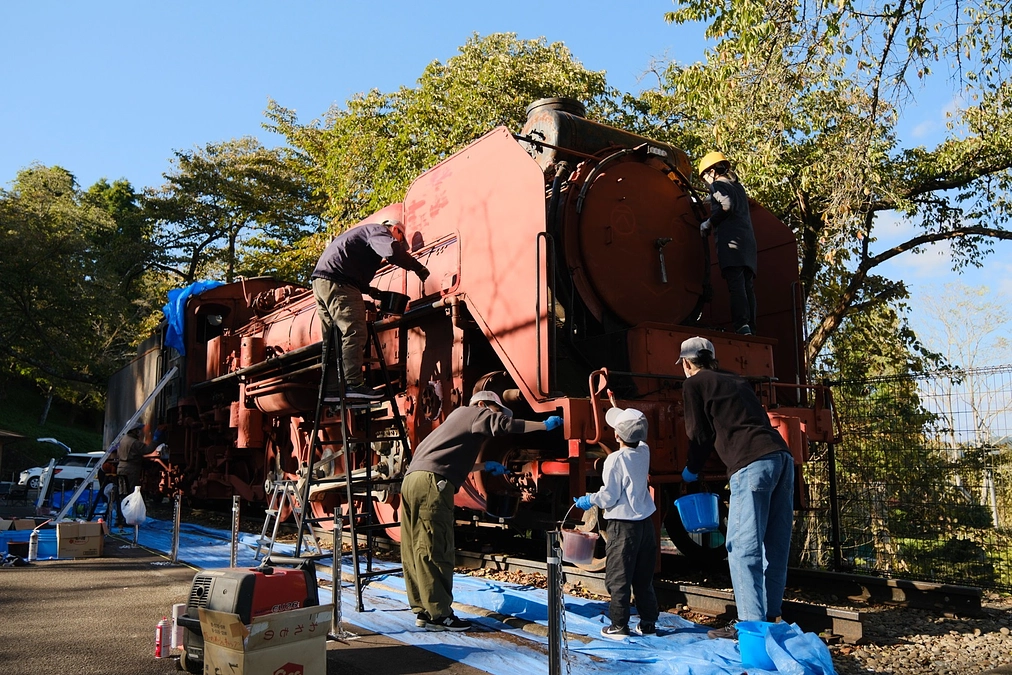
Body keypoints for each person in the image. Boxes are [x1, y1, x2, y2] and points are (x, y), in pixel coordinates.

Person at [400, 390, 563, 632]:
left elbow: (447, 460)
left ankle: (423, 610)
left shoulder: (454, 423)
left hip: (413, 481)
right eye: (496, 410)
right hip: (432, 486)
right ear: (485, 404)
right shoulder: (473, 412)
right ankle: (440, 615)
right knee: (436, 548)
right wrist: (543, 425)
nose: (495, 416)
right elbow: (502, 425)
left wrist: (485, 464)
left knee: (415, 548)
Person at [677, 336, 794, 639]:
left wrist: (691, 470)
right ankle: (770, 617)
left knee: (742, 548)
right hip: (782, 459)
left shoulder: (693, 384)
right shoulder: (736, 379)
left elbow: (698, 435)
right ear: (712, 359)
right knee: (775, 544)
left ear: (687, 364)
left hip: (750, 464)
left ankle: (751, 628)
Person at [311, 218, 430, 400]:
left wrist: (371, 291)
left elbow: (350, 266)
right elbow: (391, 251)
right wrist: (417, 267)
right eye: (399, 239)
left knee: (332, 338)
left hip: (322, 282)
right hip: (340, 282)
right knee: (355, 331)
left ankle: (332, 389)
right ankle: (354, 384)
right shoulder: (377, 230)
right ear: (395, 230)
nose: (398, 242)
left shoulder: (360, 234)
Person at [573, 406, 659, 640]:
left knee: (618, 577)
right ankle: (648, 622)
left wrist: (589, 499)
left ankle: (619, 625)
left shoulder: (614, 459)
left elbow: (609, 495)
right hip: (645, 524)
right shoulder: (645, 450)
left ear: (617, 436)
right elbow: (635, 436)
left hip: (623, 526)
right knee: (643, 577)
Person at [698, 152, 758, 335]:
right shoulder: (738, 187)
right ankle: (750, 328)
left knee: (736, 285)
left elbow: (726, 205)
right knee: (747, 287)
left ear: (712, 171)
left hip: (731, 244)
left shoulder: (717, 185)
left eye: (705, 178)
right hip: (748, 245)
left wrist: (709, 223)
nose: (706, 183)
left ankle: (741, 325)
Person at [116, 423, 161, 528]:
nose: (140, 432)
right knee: (131, 494)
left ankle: (120, 518)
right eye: (138, 430)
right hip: (130, 469)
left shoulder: (122, 440)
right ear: (134, 431)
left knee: (122, 493)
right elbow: (147, 450)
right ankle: (128, 519)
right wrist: (156, 439)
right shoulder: (134, 442)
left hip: (121, 467)